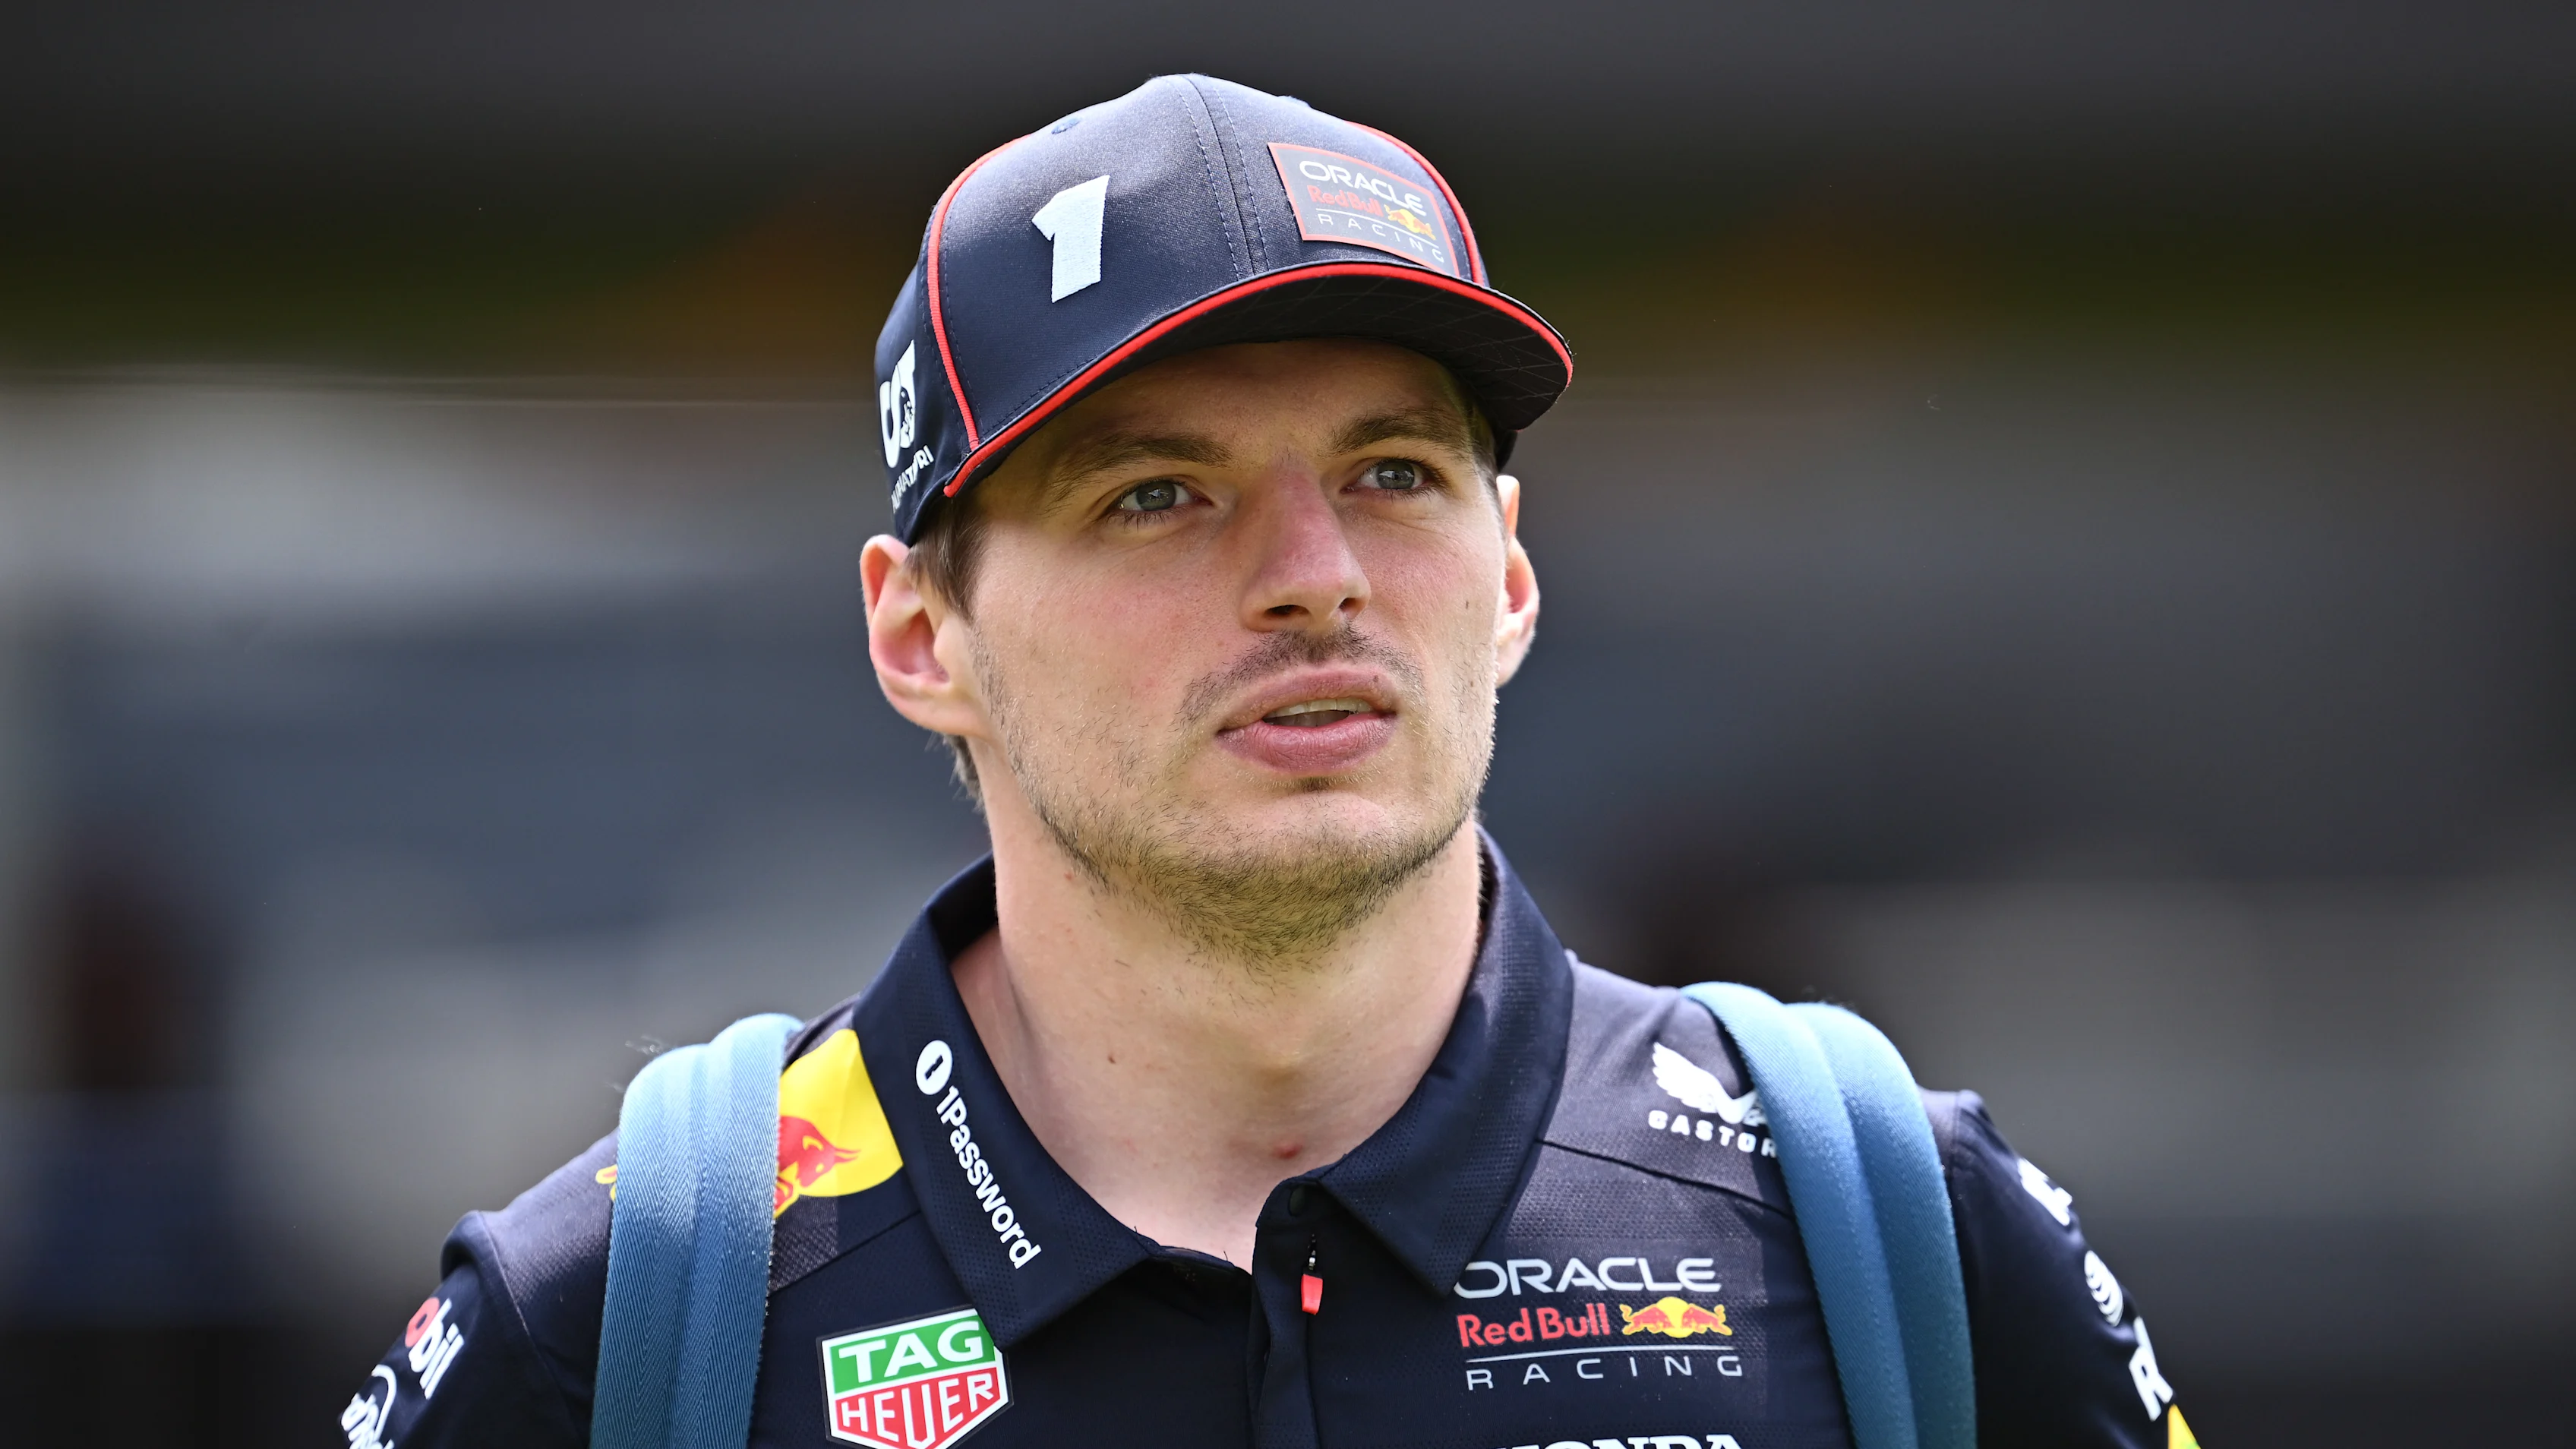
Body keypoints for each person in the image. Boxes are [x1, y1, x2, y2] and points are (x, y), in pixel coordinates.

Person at [346, 74, 2195, 1449]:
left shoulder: (1884, 1223)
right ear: (922, 637)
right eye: (1158, 495)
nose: (1314, 577)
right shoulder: (632, 1305)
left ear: (1513, 577)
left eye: (1393, 474)